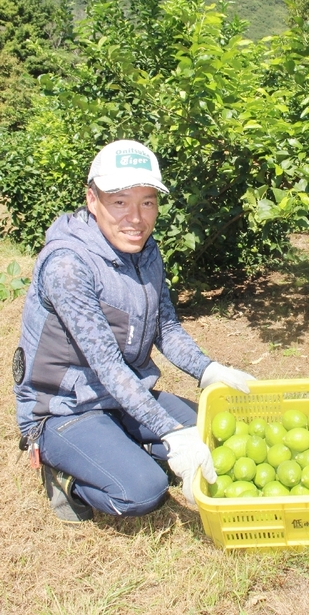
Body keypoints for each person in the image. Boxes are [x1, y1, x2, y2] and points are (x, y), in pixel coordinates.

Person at [13, 139, 254, 523]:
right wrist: (167, 431)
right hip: (65, 407)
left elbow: (167, 327)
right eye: (120, 201)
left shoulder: (145, 250)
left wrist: (210, 370)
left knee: (215, 436)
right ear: (92, 200)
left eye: (147, 202)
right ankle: (64, 478)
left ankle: (120, 444)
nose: (136, 218)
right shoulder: (68, 266)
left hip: (124, 395)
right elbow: (107, 365)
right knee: (143, 490)